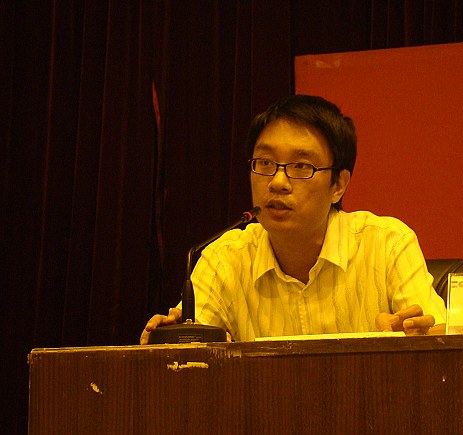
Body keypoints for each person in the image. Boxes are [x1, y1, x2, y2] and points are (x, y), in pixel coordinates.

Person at [140, 95, 446, 344]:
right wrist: (171, 339)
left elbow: (442, 337)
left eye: (301, 166)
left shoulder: (387, 245)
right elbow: (191, 349)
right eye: (265, 162)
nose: (277, 182)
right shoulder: (224, 259)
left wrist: (416, 339)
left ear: (338, 185)